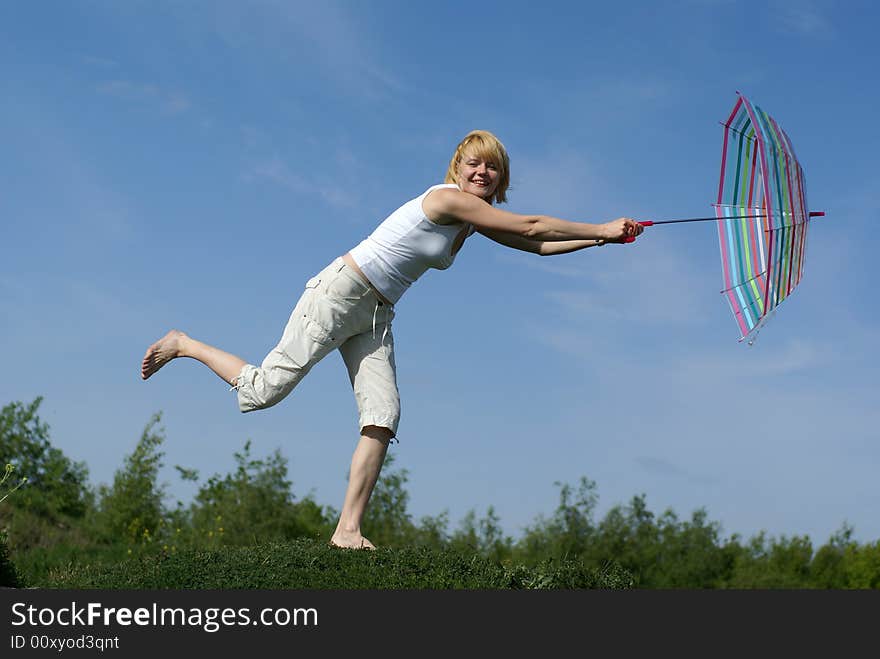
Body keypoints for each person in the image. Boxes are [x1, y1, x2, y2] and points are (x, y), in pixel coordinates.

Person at [140, 129, 643, 549]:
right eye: (473, 164)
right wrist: (598, 223)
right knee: (263, 391)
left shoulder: (471, 222)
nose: (481, 173)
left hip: (377, 315)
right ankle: (184, 343)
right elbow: (532, 223)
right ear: (457, 168)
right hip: (340, 294)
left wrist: (604, 239)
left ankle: (347, 529)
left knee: (383, 416)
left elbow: (536, 245)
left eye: (491, 168)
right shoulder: (446, 200)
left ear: (501, 177)